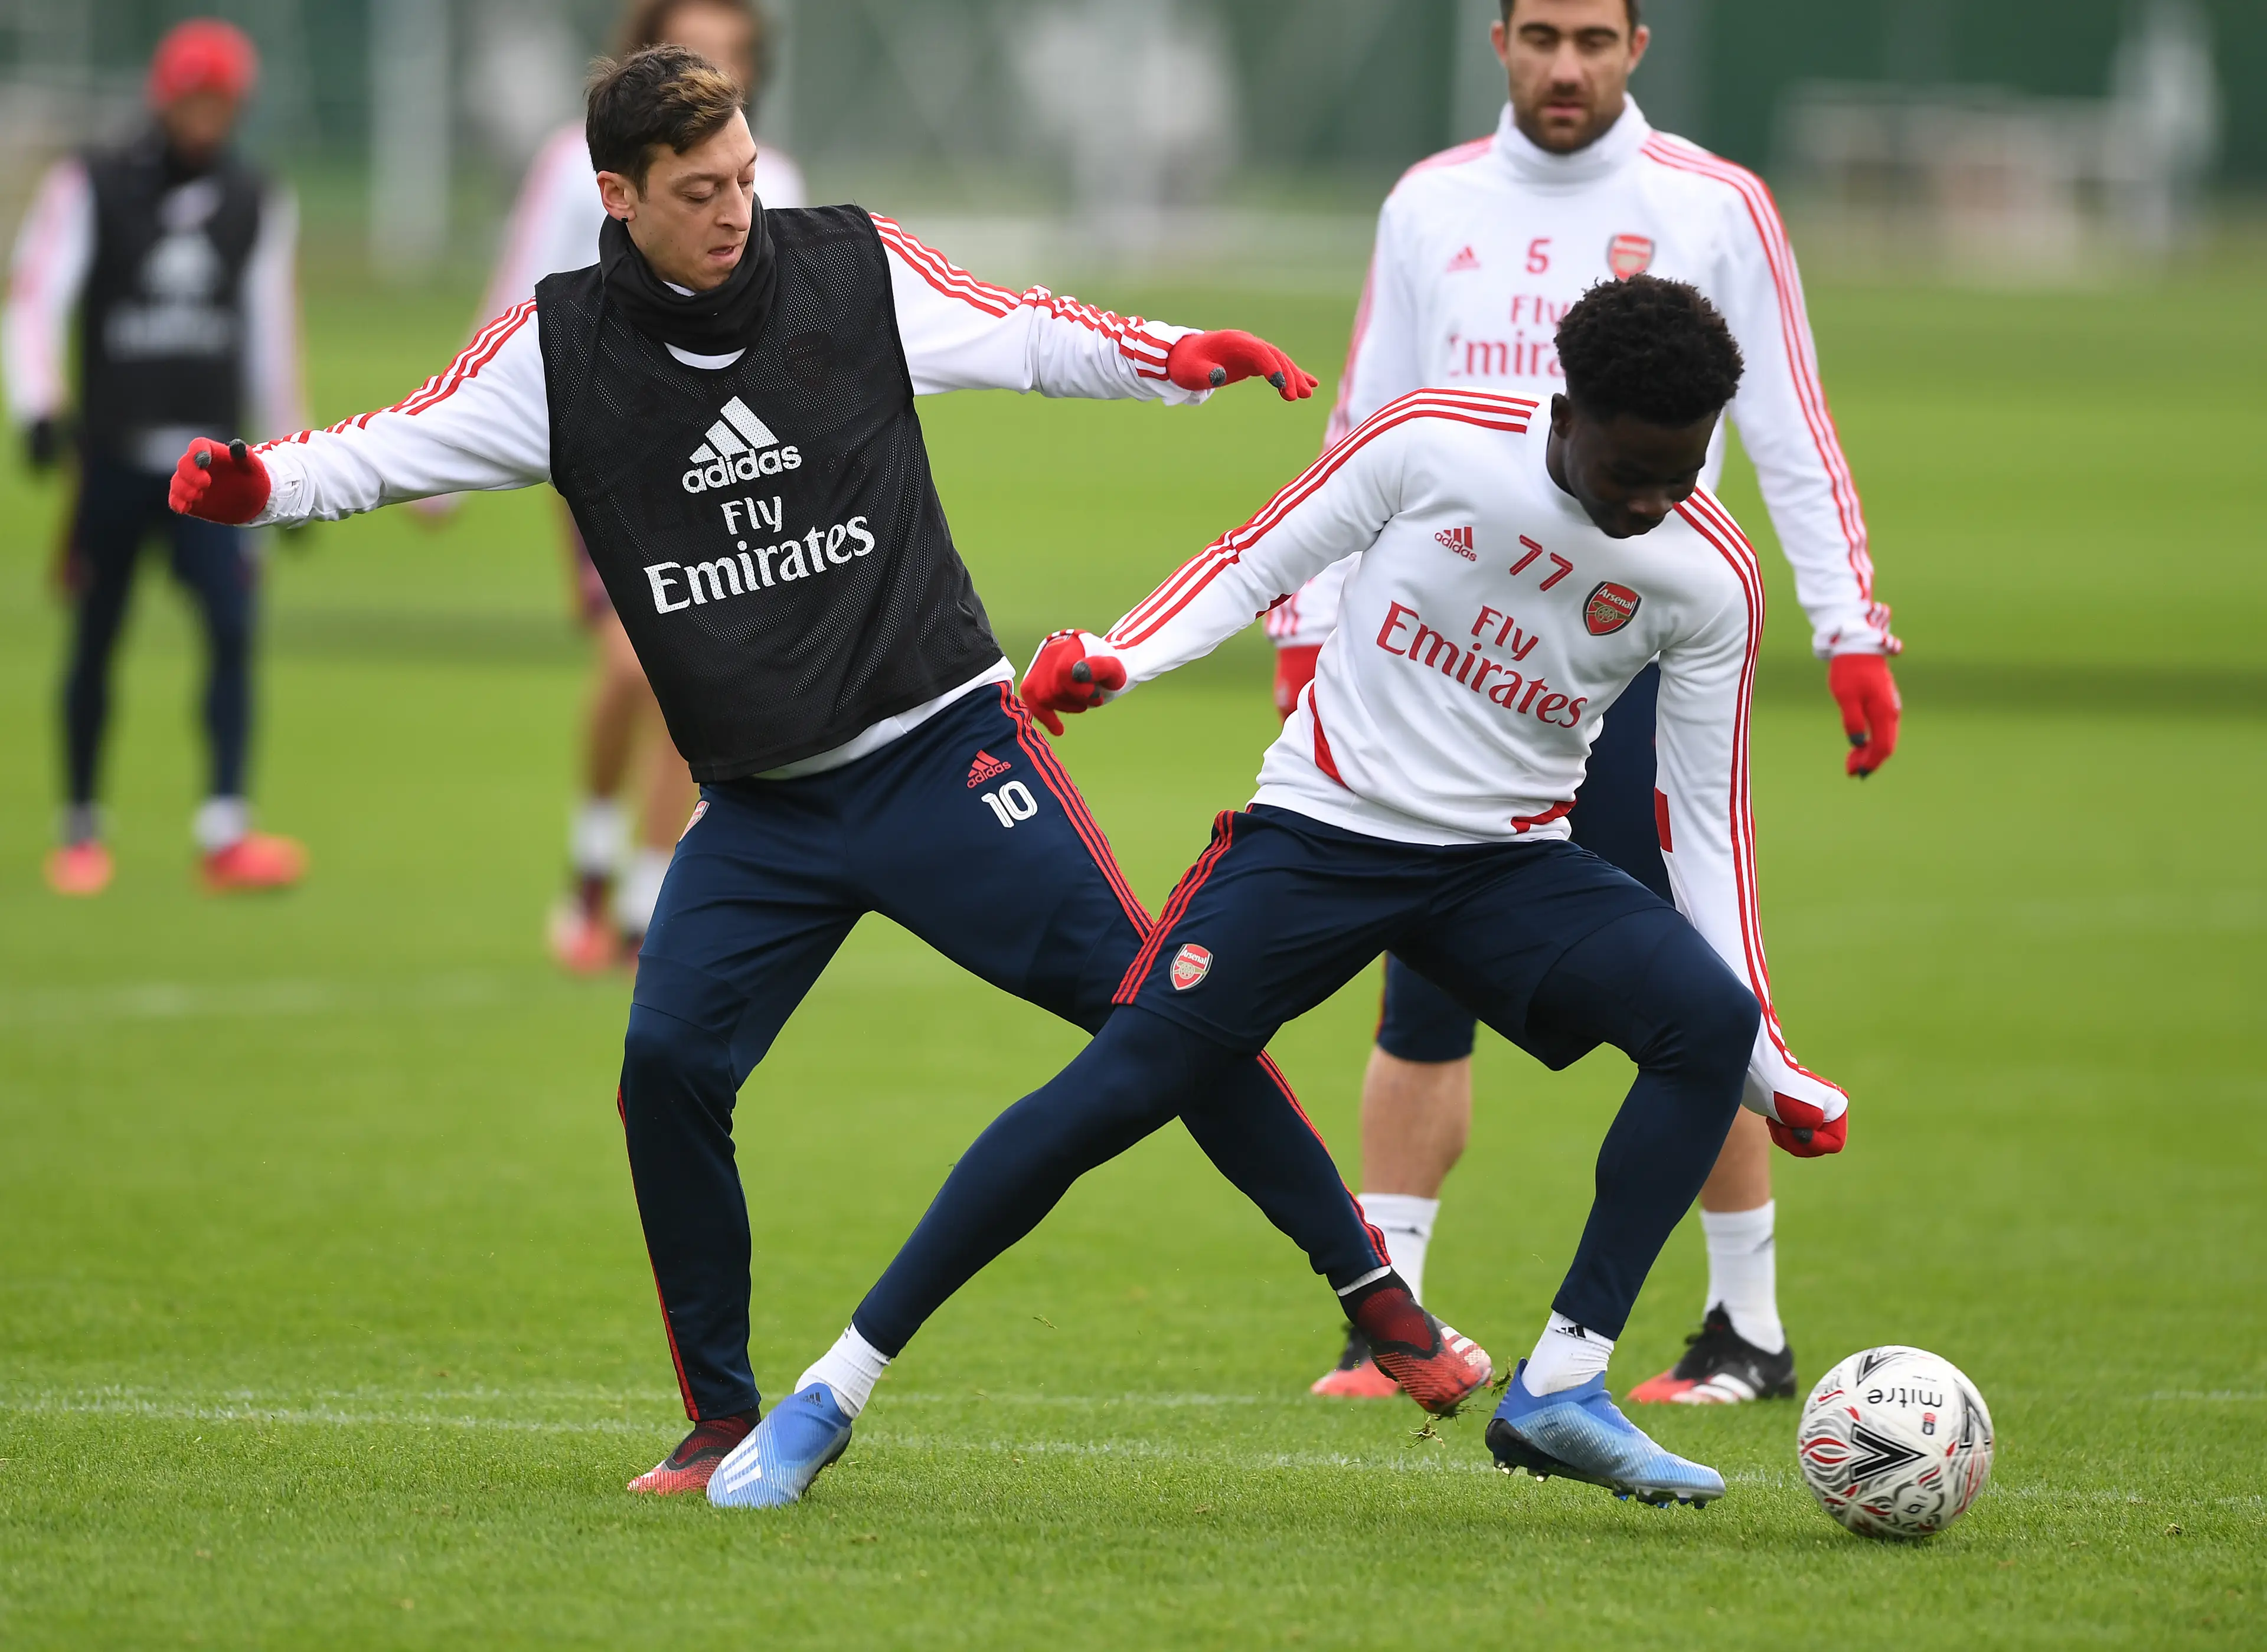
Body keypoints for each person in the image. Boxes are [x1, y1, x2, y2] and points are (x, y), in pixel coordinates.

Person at [168, 45, 1499, 1500]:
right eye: (697, 190)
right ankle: (720, 1419)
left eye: (744, 175)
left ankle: (1376, 1295)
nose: (735, 208)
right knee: (667, 1068)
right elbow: (389, 446)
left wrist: (1173, 355)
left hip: (944, 755)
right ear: (617, 197)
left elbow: (1023, 332)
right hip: (761, 813)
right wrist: (262, 484)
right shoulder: (558, 351)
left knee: (1164, 1010)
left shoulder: (846, 268)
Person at [723, 274, 1850, 1512]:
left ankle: (1563, 1386)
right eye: (1630, 470)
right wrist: (1122, 653)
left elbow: (1705, 823)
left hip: (1507, 866)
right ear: (1566, 411)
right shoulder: (1433, 443)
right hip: (1319, 835)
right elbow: (1253, 560)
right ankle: (828, 1393)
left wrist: (1772, 1057)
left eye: (1680, 475)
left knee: (1705, 1025)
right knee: (1114, 1090)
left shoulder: (1709, 577)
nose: (1650, 503)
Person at [1268, 0, 1901, 1406]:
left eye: (1595, 39)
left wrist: (1850, 628)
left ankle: (1745, 1328)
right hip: (1447, 667)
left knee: (1700, 989)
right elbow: (1363, 421)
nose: (1567, 65)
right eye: (1542, 34)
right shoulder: (1429, 204)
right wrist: (1307, 624)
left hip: (1628, 663)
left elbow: (1789, 424)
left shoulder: (1714, 206)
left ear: (1639, 47)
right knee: (1419, 993)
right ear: (1497, 39)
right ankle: (1392, 1322)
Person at [458, 0, 807, 971]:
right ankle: (590, 862)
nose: (713, 70)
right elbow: (518, 295)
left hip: (715, 462)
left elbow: (792, 322)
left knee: (692, 679)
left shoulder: (774, 181)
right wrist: (448, 464)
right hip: (605, 450)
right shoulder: (575, 168)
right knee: (630, 666)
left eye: (730, 56)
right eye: (691, 50)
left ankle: (648, 905)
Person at [6, 18, 309, 897]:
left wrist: (294, 461)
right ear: (165, 98)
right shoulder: (92, 183)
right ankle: (80, 827)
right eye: (194, 99)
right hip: (111, 458)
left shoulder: (256, 199)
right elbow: (36, 296)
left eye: (222, 101)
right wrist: (38, 404)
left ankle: (225, 827)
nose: (207, 116)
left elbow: (272, 336)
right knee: (97, 633)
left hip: (213, 468)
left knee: (231, 629)